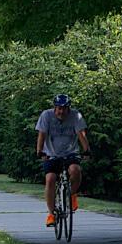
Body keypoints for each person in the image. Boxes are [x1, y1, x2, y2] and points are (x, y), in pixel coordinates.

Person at [35, 93, 89, 227]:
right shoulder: (46, 115)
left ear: (68, 108)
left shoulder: (76, 116)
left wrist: (87, 150)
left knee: (75, 170)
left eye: (64, 108)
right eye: (59, 108)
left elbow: (81, 135)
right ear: (54, 107)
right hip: (51, 154)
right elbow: (42, 134)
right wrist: (39, 151)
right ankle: (51, 214)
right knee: (50, 179)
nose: (61, 111)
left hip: (70, 153)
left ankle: (72, 195)